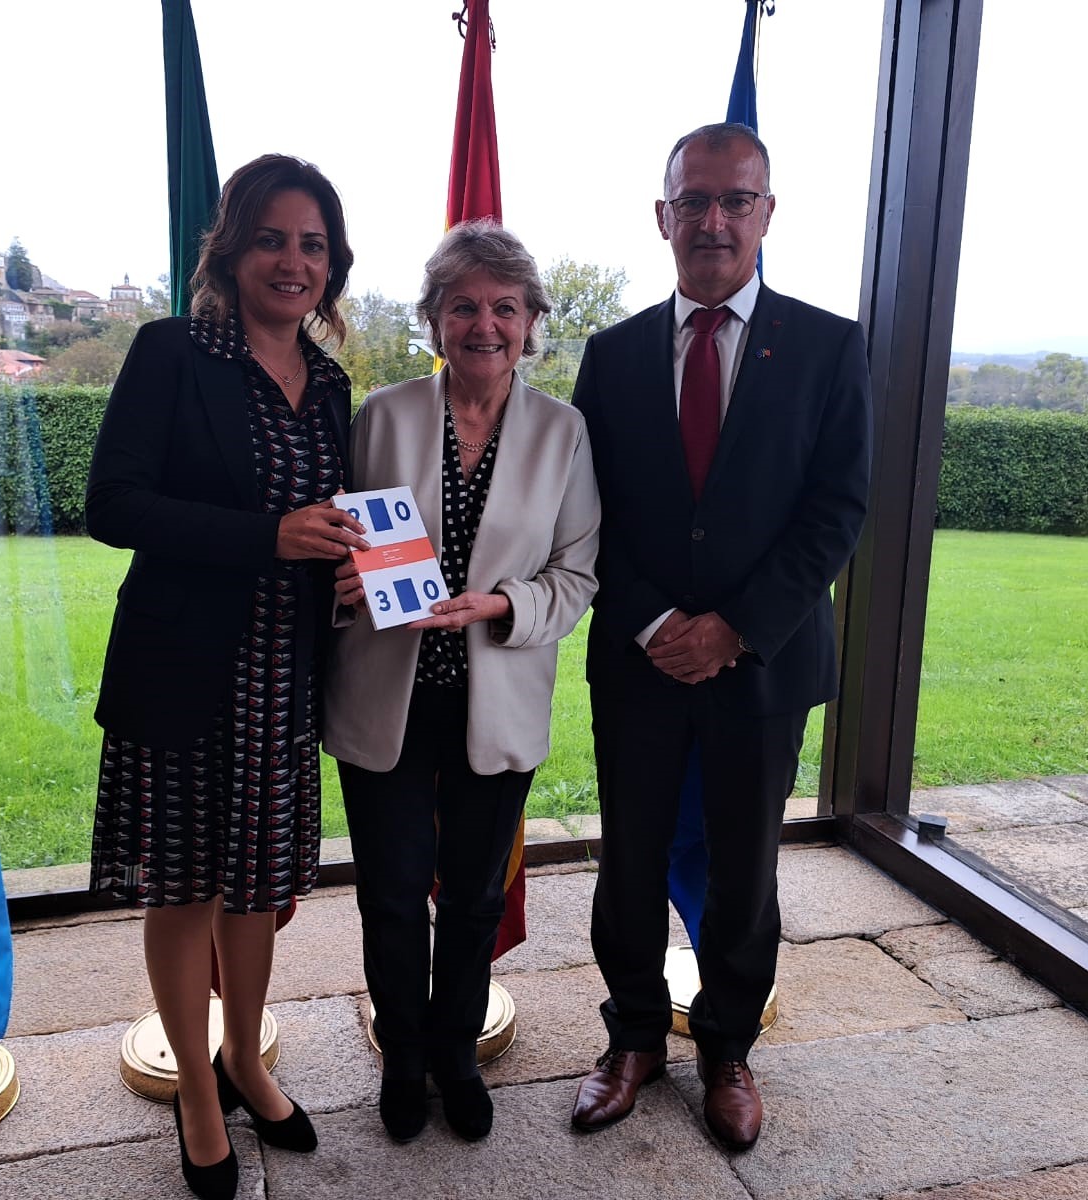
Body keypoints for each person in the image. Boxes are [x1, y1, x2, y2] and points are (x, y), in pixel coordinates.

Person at [569, 123, 872, 1150]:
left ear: (766, 213)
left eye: (735, 200)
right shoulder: (611, 355)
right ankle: (631, 1039)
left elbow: (837, 508)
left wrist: (735, 629)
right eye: (693, 201)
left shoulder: (829, 346)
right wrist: (658, 620)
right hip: (641, 660)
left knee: (744, 870)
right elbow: (586, 512)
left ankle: (728, 1047)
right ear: (662, 217)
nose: (713, 220)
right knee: (629, 862)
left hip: (762, 666)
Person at [84, 153, 367, 1200]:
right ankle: (197, 1091)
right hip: (183, 670)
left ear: (332, 265)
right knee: (184, 886)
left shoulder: (330, 384)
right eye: (273, 239)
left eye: (313, 245)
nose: (294, 262)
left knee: (257, 887)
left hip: (285, 676)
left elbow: (329, 521)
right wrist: (268, 536)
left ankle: (247, 1059)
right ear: (232, 249)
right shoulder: (172, 351)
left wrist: (349, 569)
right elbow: (112, 504)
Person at [323, 220, 600, 1144]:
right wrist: (344, 581)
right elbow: (342, 544)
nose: (486, 325)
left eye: (505, 308)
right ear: (434, 319)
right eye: (464, 306)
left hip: (498, 696)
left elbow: (576, 575)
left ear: (531, 322)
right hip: (387, 697)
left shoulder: (563, 432)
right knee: (393, 893)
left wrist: (503, 605)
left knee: (476, 896)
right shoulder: (383, 415)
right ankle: (403, 1057)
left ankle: (456, 1054)